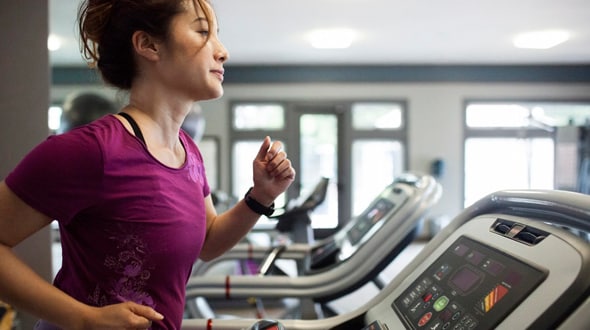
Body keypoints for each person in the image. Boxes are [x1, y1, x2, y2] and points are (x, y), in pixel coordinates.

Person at [0, 0, 295, 329]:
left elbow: (208, 243)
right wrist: (84, 318)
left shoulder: (189, 153)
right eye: (202, 32)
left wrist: (261, 197)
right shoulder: (91, 151)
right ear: (149, 45)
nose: (222, 51)